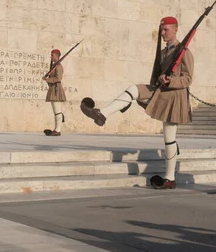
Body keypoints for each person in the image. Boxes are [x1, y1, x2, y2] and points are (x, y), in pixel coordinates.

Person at [81, 16, 194, 190]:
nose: (162, 33)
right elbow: (158, 75)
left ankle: (170, 178)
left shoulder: (184, 52)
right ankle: (102, 113)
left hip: (174, 96)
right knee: (134, 89)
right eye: (161, 30)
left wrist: (170, 80)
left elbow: (187, 79)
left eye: (166, 30)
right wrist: (160, 78)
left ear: (176, 29)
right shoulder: (164, 52)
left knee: (169, 138)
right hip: (161, 91)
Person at [43, 49, 66, 136]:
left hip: (56, 89)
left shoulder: (59, 66)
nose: (51, 57)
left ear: (56, 56)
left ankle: (57, 130)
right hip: (53, 88)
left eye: (52, 55)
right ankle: (56, 129)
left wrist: (48, 79)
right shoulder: (54, 66)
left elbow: (58, 78)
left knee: (57, 110)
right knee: (56, 110)